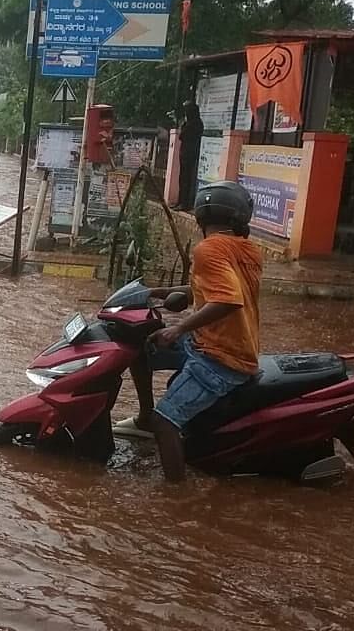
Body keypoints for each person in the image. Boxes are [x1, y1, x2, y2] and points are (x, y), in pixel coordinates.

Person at [113, 181, 263, 482]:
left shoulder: (208, 249)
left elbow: (228, 300)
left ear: (200, 214)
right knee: (139, 347)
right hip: (212, 343)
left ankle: (175, 495)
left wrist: (178, 328)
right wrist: (159, 291)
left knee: (164, 422)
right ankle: (142, 418)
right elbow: (213, 289)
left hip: (221, 358)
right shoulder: (247, 249)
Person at [176, 100, 204, 211]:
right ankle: (181, 201)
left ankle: (185, 203)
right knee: (182, 179)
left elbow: (181, 136)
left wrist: (183, 125)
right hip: (185, 154)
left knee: (187, 180)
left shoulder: (194, 123)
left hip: (190, 155)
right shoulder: (192, 123)